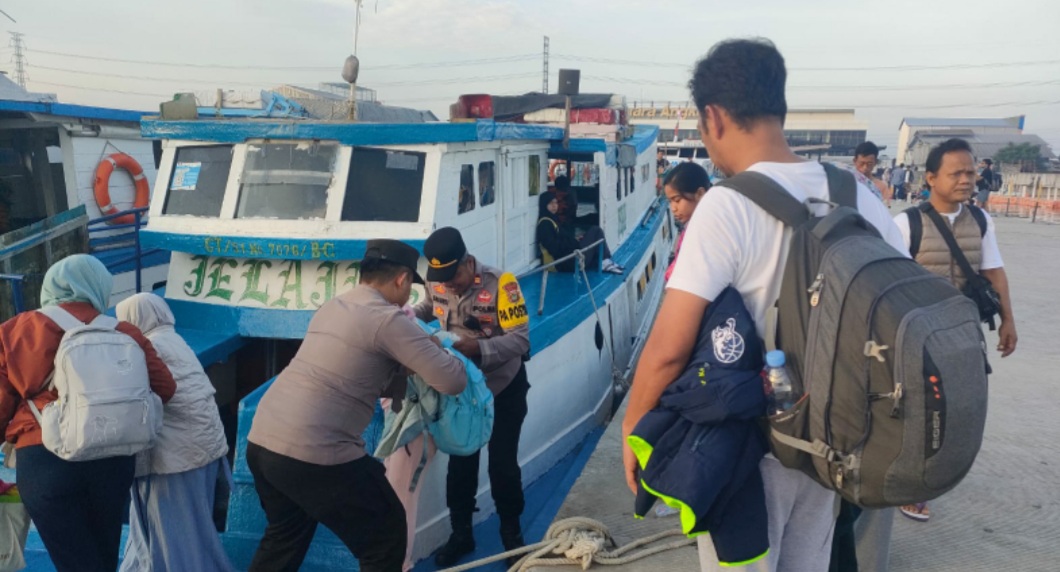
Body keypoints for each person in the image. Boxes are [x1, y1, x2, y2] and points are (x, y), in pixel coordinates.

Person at [621, 39, 907, 572]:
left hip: (750, 449)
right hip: (831, 440)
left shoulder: (726, 204)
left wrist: (634, 428)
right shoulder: (856, 191)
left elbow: (668, 349)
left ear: (713, 117)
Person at [245, 240, 467, 572]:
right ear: (402, 279)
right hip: (315, 450)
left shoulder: (333, 306)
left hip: (263, 442)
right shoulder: (388, 319)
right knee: (386, 536)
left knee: (284, 538)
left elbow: (360, 370)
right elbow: (452, 381)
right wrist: (436, 347)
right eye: (410, 287)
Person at [0, 254, 177, 572]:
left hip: (44, 459)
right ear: (99, 285)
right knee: (103, 555)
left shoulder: (17, 330)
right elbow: (165, 388)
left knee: (74, 561)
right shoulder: (125, 332)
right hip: (112, 458)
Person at [890, 138, 1018, 524]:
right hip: (917, 337)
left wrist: (1008, 320)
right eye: (957, 173)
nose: (967, 179)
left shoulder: (981, 221)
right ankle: (911, 485)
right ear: (931, 178)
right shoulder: (906, 224)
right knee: (918, 409)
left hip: (963, 334)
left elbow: (993, 270)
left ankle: (936, 473)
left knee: (959, 407)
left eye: (971, 172)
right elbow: (886, 282)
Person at [413, 227, 532, 568]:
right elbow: (428, 307)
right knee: (460, 465)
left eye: (454, 277)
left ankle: (512, 536)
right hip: (463, 393)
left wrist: (477, 348)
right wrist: (406, 319)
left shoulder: (501, 285)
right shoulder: (438, 282)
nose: (448, 285)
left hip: (501, 388)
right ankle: (461, 534)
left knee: (502, 466)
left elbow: (520, 340)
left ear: (468, 263)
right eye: (442, 279)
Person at [116, 293, 233, 572]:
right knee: (196, 530)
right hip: (203, 451)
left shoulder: (149, 347)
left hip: (174, 460)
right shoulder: (176, 341)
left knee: (170, 536)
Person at [537, 192, 624, 274]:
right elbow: (554, 248)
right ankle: (605, 261)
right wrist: (573, 243)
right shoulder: (545, 224)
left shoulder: (553, 220)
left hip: (569, 258)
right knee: (596, 230)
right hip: (564, 264)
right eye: (550, 203)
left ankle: (605, 261)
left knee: (594, 238)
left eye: (555, 203)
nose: (554, 206)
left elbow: (562, 239)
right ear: (544, 205)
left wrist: (574, 240)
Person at [662, 162, 711, 282]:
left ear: (700, 194)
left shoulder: (705, 232)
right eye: (670, 202)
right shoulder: (696, 226)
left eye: (677, 200)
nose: (673, 208)